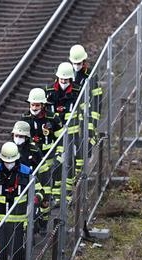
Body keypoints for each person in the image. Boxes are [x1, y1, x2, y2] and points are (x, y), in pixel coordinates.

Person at [46, 62, 81, 203]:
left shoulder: (77, 92)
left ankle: (67, 195)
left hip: (71, 134)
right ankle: (55, 195)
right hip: (54, 134)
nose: (63, 82)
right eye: (61, 80)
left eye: (66, 80)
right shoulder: (49, 92)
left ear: (70, 80)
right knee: (55, 163)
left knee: (69, 162)